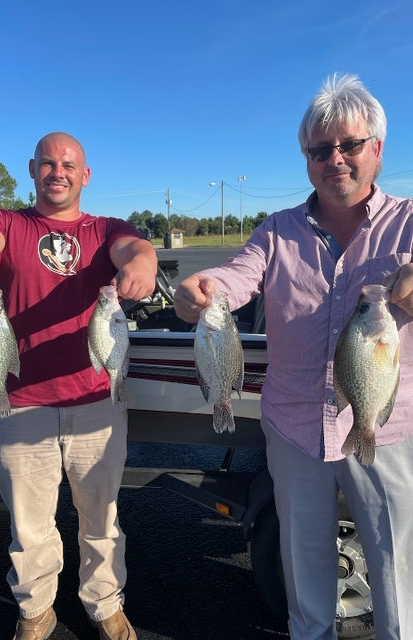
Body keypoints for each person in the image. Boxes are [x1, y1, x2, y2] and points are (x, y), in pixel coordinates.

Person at [174, 74, 413, 639]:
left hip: (385, 425)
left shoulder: (408, 221)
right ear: (307, 160)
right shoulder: (276, 230)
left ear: (376, 149)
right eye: (319, 149)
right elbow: (238, 276)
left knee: (397, 567)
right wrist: (202, 288)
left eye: (349, 145)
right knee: (303, 565)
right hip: (295, 427)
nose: (335, 159)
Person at [0, 132, 157, 640]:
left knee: (101, 516)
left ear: (85, 175)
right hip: (20, 404)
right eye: (48, 163)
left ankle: (105, 603)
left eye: (69, 164)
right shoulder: (7, 223)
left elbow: (135, 248)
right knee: (29, 523)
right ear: (32, 170)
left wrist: (143, 265)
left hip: (96, 401)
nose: (58, 171)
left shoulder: (105, 229)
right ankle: (36, 608)